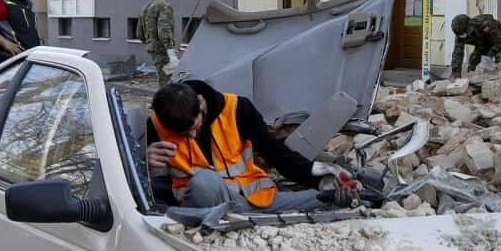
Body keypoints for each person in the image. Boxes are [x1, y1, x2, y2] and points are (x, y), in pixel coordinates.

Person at [146, 80, 359, 212]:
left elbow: (276, 154)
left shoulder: (238, 109)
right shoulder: (157, 125)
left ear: (201, 104)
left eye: (195, 127)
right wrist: (143, 163)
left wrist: (318, 177)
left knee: (326, 198)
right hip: (201, 205)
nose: (192, 136)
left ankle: (358, 199)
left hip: (253, 201)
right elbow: (148, 188)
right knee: (204, 182)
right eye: (183, 134)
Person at [138, 0, 178, 85]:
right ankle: (163, 101)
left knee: (163, 77)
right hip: (162, 50)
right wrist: (171, 53)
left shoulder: (146, 7)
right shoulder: (164, 5)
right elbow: (164, 30)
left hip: (153, 50)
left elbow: (139, 34)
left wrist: (151, 43)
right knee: (166, 81)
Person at [450, 13, 501, 78]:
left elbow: (500, 41)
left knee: (500, 58)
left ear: (470, 26)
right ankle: (471, 79)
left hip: (499, 41)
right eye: (461, 35)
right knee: (473, 60)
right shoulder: (460, 33)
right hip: (482, 44)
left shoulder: (486, 24)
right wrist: (455, 73)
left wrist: (489, 55)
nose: (463, 36)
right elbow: (457, 53)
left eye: (465, 33)